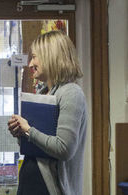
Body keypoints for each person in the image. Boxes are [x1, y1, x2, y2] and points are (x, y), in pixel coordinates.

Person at [8, 31, 87, 195]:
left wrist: (28, 130)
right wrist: (19, 134)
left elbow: (64, 149)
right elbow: (38, 145)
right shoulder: (45, 93)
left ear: (50, 56)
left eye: (35, 57)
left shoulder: (71, 93)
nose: (30, 64)